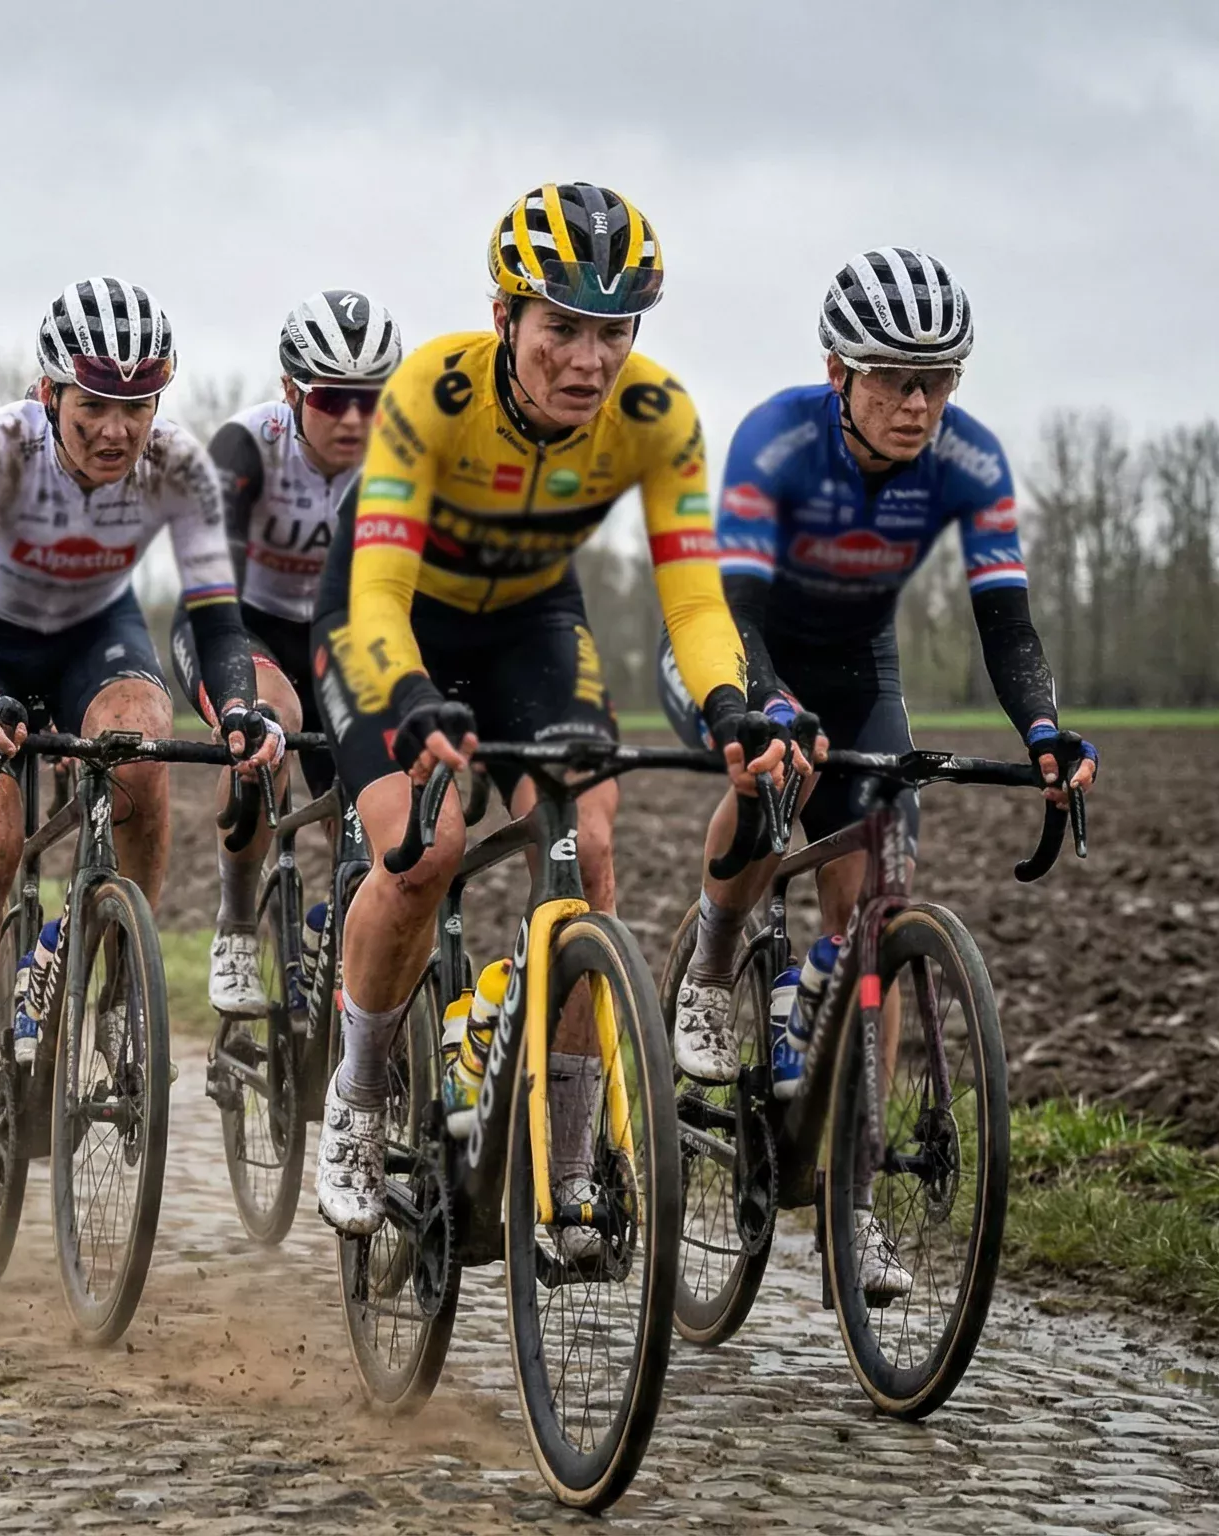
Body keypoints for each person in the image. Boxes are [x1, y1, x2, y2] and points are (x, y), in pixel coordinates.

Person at [307, 183, 797, 1242]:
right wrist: (410, 697)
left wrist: (730, 706)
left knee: (591, 845)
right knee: (425, 850)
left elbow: (693, 598)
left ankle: (568, 1159)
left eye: (614, 331)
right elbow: (378, 589)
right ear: (504, 318)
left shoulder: (655, 415)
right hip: (387, 614)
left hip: (529, 616)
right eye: (562, 329)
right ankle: (358, 1090)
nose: (589, 360)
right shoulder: (432, 393)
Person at [658, 248, 1099, 1298]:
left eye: (938, 381)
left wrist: (1045, 733)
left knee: (875, 912)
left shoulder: (970, 460)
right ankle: (713, 967)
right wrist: (769, 705)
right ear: (838, 371)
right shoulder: (776, 439)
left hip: (859, 666)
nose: (918, 405)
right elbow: (736, 610)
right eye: (896, 381)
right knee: (767, 777)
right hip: (735, 648)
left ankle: (853, 1204)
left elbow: (1007, 624)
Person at [0, 276, 281, 1196]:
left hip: (92, 635)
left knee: (141, 756)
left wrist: (237, 708)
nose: (117, 431)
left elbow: (218, 622)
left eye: (137, 408)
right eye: (94, 409)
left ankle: (109, 990)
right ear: (49, 394)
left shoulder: (178, 466)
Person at [166, 290, 402, 1016]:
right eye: (331, 399)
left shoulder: (399, 458)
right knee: (272, 718)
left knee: (373, 798)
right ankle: (237, 924)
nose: (354, 420)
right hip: (240, 624)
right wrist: (242, 698)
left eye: (371, 399)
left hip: (338, 637)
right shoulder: (247, 446)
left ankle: (348, 941)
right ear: (291, 391)